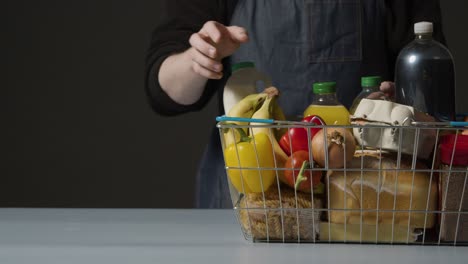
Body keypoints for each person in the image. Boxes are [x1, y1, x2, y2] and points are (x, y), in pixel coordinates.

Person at [145, 0, 447, 208]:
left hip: (363, 195)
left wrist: (403, 100)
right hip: (247, 198)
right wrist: (197, 59)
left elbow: (428, 72)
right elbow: (166, 92)